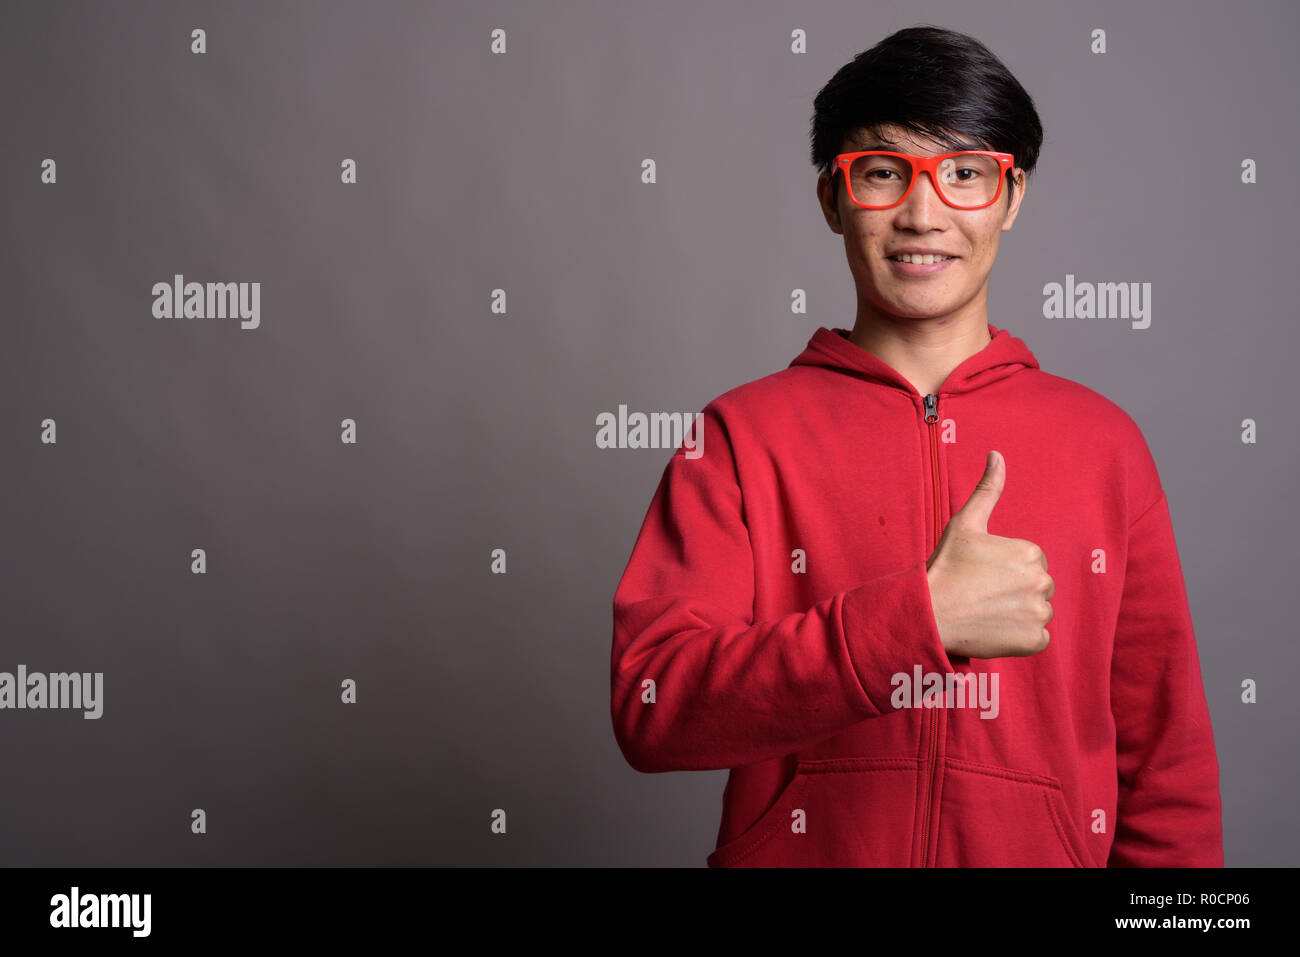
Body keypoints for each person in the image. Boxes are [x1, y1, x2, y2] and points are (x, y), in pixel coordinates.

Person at [609, 24, 1223, 867]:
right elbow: (654, 706)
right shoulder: (739, 437)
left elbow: (1167, 767)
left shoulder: (1105, 445)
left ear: (1010, 198)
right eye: (884, 172)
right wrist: (913, 621)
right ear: (833, 198)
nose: (924, 213)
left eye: (965, 174)